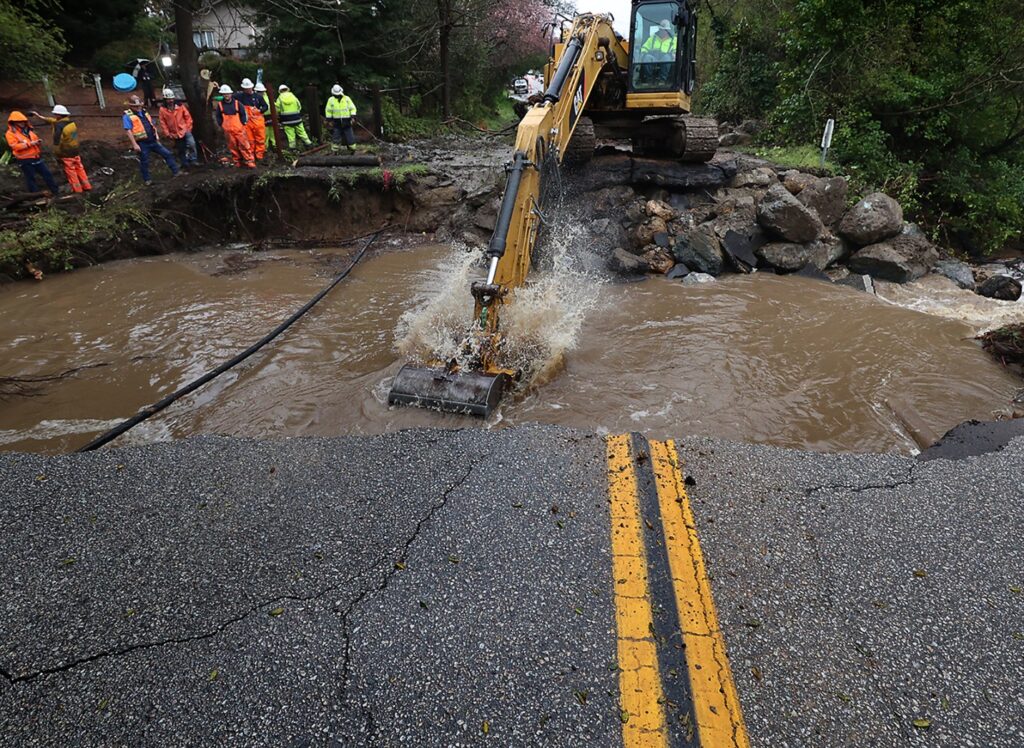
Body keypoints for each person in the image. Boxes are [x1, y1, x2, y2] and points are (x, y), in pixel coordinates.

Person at [32, 104, 92, 193]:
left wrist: (57, 154)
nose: (54, 116)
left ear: (58, 115)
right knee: (79, 168)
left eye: (55, 114)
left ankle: (77, 189)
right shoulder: (71, 123)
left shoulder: (59, 127)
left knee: (71, 171)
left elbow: (57, 142)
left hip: (66, 152)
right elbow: (53, 121)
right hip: (75, 150)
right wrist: (39, 116)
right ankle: (87, 186)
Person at [122, 95, 180, 185]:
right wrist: (134, 144)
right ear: (131, 106)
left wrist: (156, 135)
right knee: (144, 161)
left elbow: (151, 124)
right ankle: (147, 179)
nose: (138, 108)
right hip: (142, 143)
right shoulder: (127, 116)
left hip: (153, 140)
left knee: (167, 154)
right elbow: (128, 130)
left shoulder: (145, 112)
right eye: (135, 106)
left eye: (139, 106)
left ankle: (176, 172)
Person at [5, 111, 59, 194]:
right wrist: (30, 144)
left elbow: (34, 139)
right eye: (19, 121)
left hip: (36, 157)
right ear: (13, 122)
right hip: (25, 160)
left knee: (47, 174)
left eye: (23, 121)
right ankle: (36, 196)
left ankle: (56, 192)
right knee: (31, 178)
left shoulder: (29, 130)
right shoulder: (10, 134)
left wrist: (37, 143)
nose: (22, 123)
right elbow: (14, 146)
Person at [214, 84, 255, 168]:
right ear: (222, 95)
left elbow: (243, 114)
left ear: (231, 94)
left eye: (228, 94)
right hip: (228, 130)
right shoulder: (220, 105)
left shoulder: (237, 103)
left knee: (244, 145)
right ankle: (237, 161)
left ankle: (249, 160)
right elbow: (218, 116)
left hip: (239, 129)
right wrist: (221, 124)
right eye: (225, 94)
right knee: (232, 146)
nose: (226, 95)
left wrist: (243, 123)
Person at [158, 88, 197, 169]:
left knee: (192, 144)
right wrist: (167, 133)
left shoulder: (180, 106)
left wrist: (188, 128)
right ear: (165, 99)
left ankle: (193, 160)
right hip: (174, 132)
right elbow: (163, 122)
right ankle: (185, 163)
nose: (171, 100)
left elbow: (188, 117)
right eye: (169, 99)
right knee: (181, 148)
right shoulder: (162, 109)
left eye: (172, 98)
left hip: (184, 129)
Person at [237, 78, 268, 161]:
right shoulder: (240, 96)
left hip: (258, 121)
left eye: (249, 88)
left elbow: (265, 106)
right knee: (250, 140)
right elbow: (227, 97)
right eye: (246, 89)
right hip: (247, 121)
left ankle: (259, 155)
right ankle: (251, 156)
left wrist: (260, 110)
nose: (247, 90)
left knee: (260, 138)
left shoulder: (258, 97)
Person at [276, 84, 312, 150]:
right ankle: (309, 144)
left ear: (280, 91)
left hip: (286, 120)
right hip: (297, 118)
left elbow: (277, 109)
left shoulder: (280, 98)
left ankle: (293, 148)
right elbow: (299, 106)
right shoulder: (293, 96)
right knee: (302, 132)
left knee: (290, 135)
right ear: (287, 89)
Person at [324, 84, 357, 152]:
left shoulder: (347, 99)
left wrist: (353, 117)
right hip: (337, 122)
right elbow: (328, 111)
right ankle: (334, 150)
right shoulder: (331, 100)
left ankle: (352, 149)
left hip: (347, 121)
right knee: (336, 136)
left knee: (350, 136)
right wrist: (329, 120)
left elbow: (352, 108)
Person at [255, 82, 276, 151]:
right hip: (262, 117)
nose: (262, 93)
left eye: (262, 91)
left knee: (272, 131)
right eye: (260, 91)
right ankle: (265, 147)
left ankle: (274, 144)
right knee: (265, 133)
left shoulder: (267, 96)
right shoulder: (256, 98)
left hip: (270, 116)